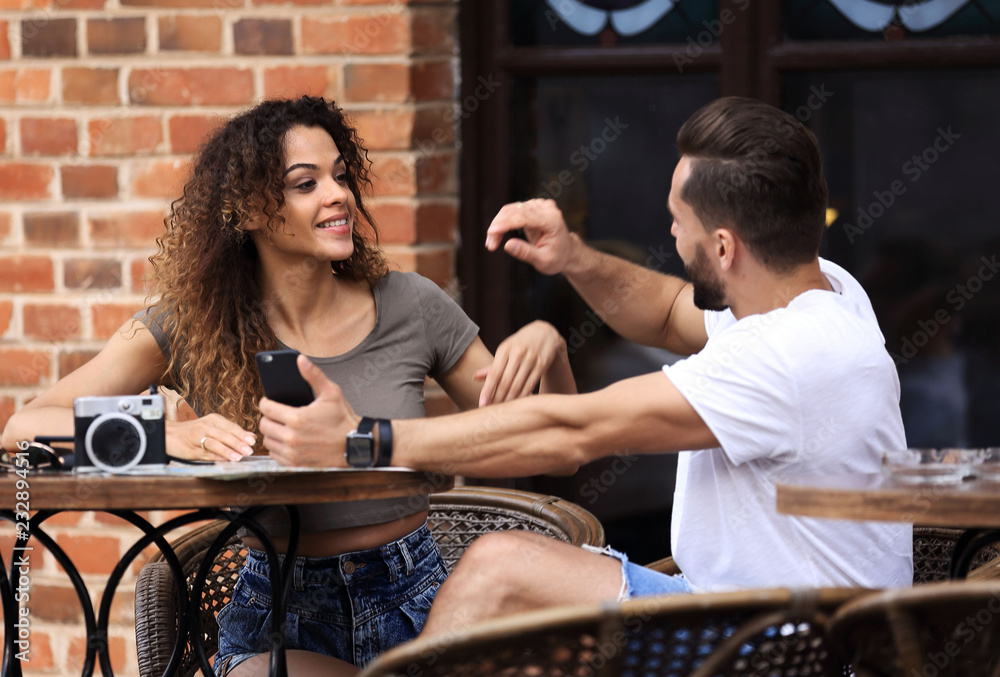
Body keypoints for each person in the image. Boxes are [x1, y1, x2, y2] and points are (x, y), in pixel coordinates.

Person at [256, 96, 914, 638]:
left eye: (677, 224)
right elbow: (662, 311)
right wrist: (573, 257)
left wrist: (363, 437)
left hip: (787, 644)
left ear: (724, 245)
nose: (673, 239)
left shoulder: (783, 356)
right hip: (748, 606)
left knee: (500, 568)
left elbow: (571, 430)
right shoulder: (823, 287)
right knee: (521, 619)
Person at [0, 96, 575, 674]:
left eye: (342, 176)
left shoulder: (412, 303)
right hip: (278, 610)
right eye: (306, 184)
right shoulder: (189, 326)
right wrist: (165, 437)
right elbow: (23, 426)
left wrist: (550, 345)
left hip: (421, 602)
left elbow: (549, 444)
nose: (339, 195)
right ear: (249, 210)